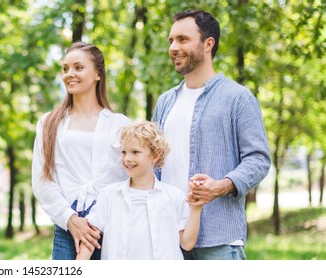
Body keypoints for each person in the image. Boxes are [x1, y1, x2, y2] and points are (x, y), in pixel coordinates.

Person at [152, 9, 271, 260]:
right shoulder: (165, 102)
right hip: (168, 237)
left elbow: (258, 159)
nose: (173, 47)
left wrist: (221, 186)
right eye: (171, 40)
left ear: (208, 44)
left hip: (219, 238)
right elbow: (153, 165)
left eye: (183, 39)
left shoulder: (238, 98)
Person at [32, 42, 131, 260]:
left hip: (110, 227)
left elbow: (131, 178)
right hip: (68, 226)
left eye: (78, 67)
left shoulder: (120, 124)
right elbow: (42, 179)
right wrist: (70, 219)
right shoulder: (49, 123)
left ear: (97, 74)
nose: (70, 74)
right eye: (65, 69)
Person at [76, 121, 204, 260]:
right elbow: (90, 239)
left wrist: (196, 208)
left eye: (135, 152)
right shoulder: (109, 195)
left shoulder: (174, 196)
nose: (127, 158)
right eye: (124, 152)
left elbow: (187, 243)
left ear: (155, 155)